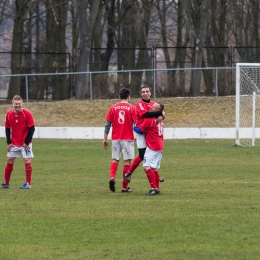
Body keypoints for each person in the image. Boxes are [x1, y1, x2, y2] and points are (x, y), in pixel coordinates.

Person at [124, 85, 165, 183]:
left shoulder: (154, 103)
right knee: (143, 155)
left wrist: (162, 115)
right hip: (141, 131)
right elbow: (145, 114)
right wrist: (160, 114)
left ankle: (155, 175)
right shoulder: (139, 104)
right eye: (143, 92)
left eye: (147, 91)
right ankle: (129, 173)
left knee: (149, 155)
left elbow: (161, 111)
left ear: (150, 93)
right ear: (141, 94)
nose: (145, 93)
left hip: (150, 131)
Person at [103, 88, 136, 193]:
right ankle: (124, 187)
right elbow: (137, 123)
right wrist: (135, 135)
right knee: (127, 161)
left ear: (119, 97)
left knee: (115, 159)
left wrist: (105, 139)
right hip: (128, 138)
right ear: (129, 97)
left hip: (116, 138)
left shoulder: (113, 108)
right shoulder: (132, 108)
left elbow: (107, 124)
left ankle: (112, 177)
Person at [0, 95, 35, 189]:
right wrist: (9, 142)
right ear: (12, 104)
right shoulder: (8, 114)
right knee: (9, 160)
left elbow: (32, 129)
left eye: (19, 104)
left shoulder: (27, 113)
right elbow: (7, 128)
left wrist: (27, 142)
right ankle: (6, 183)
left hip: (25, 143)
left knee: (27, 160)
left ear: (22, 104)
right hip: (14, 142)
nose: (17, 106)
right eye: (16, 104)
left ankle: (28, 184)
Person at [139, 102, 164, 196]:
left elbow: (141, 129)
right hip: (160, 146)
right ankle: (157, 188)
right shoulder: (160, 119)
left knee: (146, 166)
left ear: (158, 111)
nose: (151, 108)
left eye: (154, 107)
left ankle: (153, 188)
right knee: (153, 168)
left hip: (152, 145)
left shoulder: (150, 119)